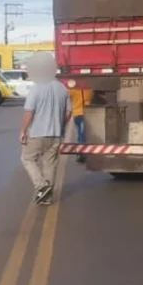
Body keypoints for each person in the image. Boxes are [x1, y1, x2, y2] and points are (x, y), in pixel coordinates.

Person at [19, 52, 72, 206]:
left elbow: (29, 112)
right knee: (50, 164)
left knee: (27, 159)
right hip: (56, 134)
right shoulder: (62, 88)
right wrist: (59, 125)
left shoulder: (36, 88)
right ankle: (46, 197)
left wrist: (23, 130)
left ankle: (41, 186)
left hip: (37, 133)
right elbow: (69, 112)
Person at [68, 87, 93, 163]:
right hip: (87, 113)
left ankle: (80, 152)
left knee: (80, 133)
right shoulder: (89, 90)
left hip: (77, 114)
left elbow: (67, 96)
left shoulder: (73, 91)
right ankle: (82, 151)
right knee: (83, 133)